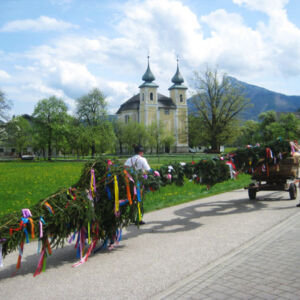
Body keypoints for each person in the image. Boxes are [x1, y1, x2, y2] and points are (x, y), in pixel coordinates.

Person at [124, 145, 150, 225]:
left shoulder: (129, 159)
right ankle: (139, 219)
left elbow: (125, 168)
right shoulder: (142, 159)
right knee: (139, 200)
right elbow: (148, 170)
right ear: (141, 152)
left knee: (132, 199)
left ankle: (132, 217)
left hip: (129, 183)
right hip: (139, 182)